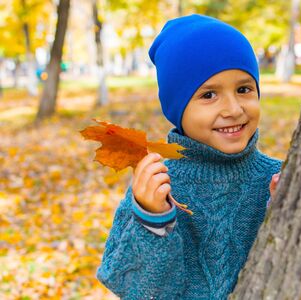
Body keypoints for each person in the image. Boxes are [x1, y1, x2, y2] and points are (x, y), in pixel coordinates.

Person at [97, 14, 283, 299]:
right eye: (209, 95)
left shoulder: (278, 179)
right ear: (178, 108)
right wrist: (153, 220)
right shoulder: (158, 188)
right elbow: (138, 290)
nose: (233, 109)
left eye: (244, 89)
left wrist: (280, 212)